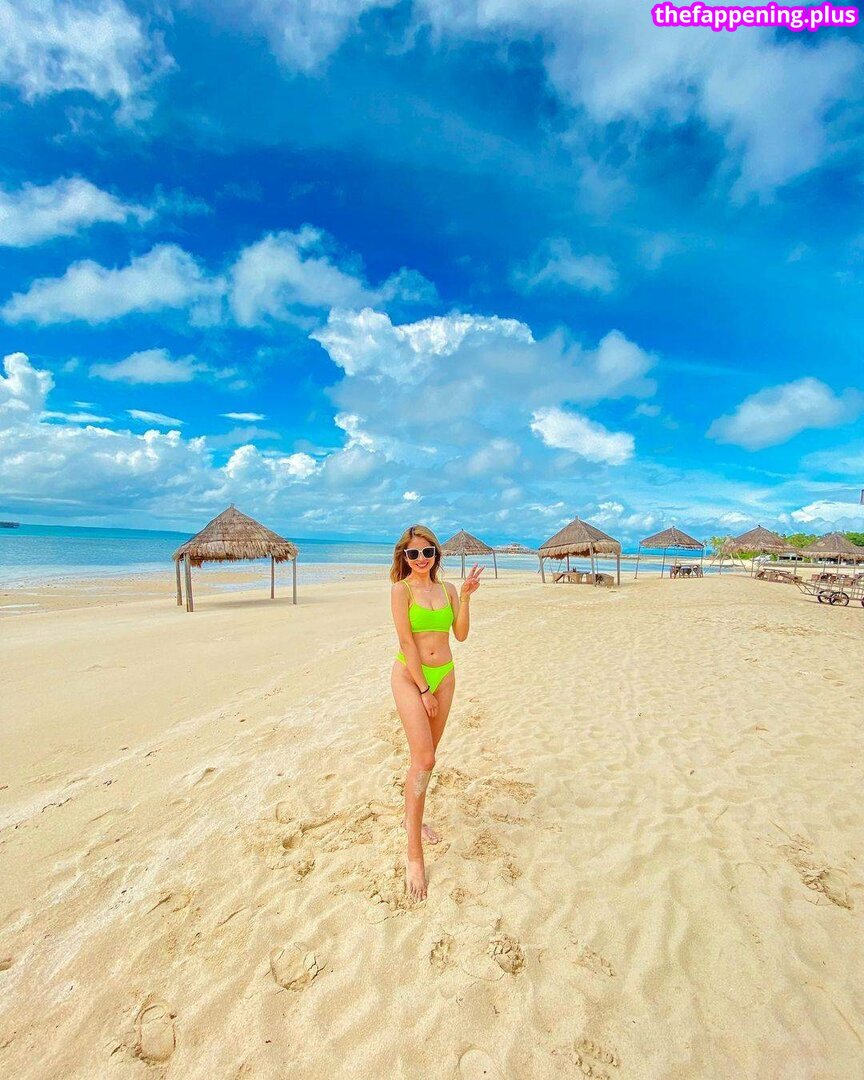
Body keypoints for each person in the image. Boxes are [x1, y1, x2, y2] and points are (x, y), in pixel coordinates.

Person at [390, 525, 483, 900]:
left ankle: (411, 818)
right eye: (413, 554)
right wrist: (423, 690)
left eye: (427, 552)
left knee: (424, 760)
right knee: (425, 759)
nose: (421, 559)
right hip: (410, 677)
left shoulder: (447, 590)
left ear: (435, 554)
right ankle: (414, 854)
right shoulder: (401, 590)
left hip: (445, 676)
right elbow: (406, 642)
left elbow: (460, 634)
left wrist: (466, 597)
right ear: (405, 557)